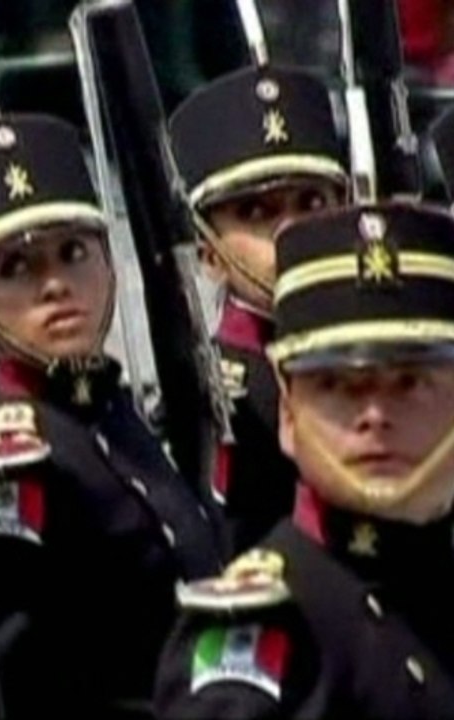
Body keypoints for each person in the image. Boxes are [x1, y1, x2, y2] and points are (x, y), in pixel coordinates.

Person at [0, 113, 222, 719]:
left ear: (109, 263)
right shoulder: (12, 463)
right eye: (15, 268)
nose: (55, 284)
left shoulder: (113, 416)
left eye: (73, 252)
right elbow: (11, 676)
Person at [155, 201, 454, 718]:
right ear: (288, 411)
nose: (375, 415)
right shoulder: (268, 637)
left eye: (409, 381)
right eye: (337, 385)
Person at [168, 63, 349, 553]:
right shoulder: (226, 402)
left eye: (311, 201)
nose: (291, 231)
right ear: (209, 252)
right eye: (256, 212)